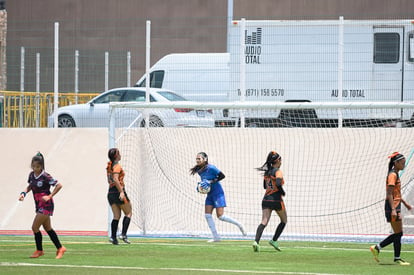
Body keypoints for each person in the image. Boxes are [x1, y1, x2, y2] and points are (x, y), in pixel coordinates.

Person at [18, 152, 66, 259]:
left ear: (42, 166)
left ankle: (39, 250)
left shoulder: (45, 176)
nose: (35, 168)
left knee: (34, 227)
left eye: (38, 166)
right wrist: (23, 194)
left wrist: (50, 196)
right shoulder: (31, 175)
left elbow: (59, 185)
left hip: (46, 205)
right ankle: (60, 248)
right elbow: (30, 186)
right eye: (34, 166)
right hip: (38, 204)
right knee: (48, 228)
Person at [190, 152, 246, 242]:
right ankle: (216, 237)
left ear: (205, 159)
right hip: (210, 194)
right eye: (196, 159)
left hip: (218, 193)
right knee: (207, 215)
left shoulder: (211, 168)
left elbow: (222, 176)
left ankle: (239, 225)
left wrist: (210, 182)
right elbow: (204, 182)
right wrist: (200, 187)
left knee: (220, 216)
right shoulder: (199, 170)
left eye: (199, 159)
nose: (197, 160)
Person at [370, 152, 412, 265]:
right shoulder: (392, 175)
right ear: (396, 163)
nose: (404, 165)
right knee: (398, 233)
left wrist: (405, 204)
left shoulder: (395, 174)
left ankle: (382, 250)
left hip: (395, 205)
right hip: (392, 207)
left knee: (399, 233)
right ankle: (381, 249)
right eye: (402, 163)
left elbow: (396, 193)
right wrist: (393, 210)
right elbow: (389, 194)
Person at [252, 151, 287, 252]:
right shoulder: (278, 171)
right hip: (276, 199)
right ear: (278, 160)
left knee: (264, 222)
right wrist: (282, 192)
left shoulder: (267, 172)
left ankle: (256, 242)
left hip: (266, 199)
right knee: (284, 220)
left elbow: (264, 186)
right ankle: (274, 240)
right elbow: (278, 182)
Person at [107, 148, 132, 245]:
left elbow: (110, 179)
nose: (120, 155)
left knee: (116, 216)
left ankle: (113, 237)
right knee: (128, 212)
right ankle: (123, 234)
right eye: (119, 154)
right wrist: (121, 191)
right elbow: (116, 179)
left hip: (110, 192)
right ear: (116, 156)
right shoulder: (117, 166)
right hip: (118, 191)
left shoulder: (109, 166)